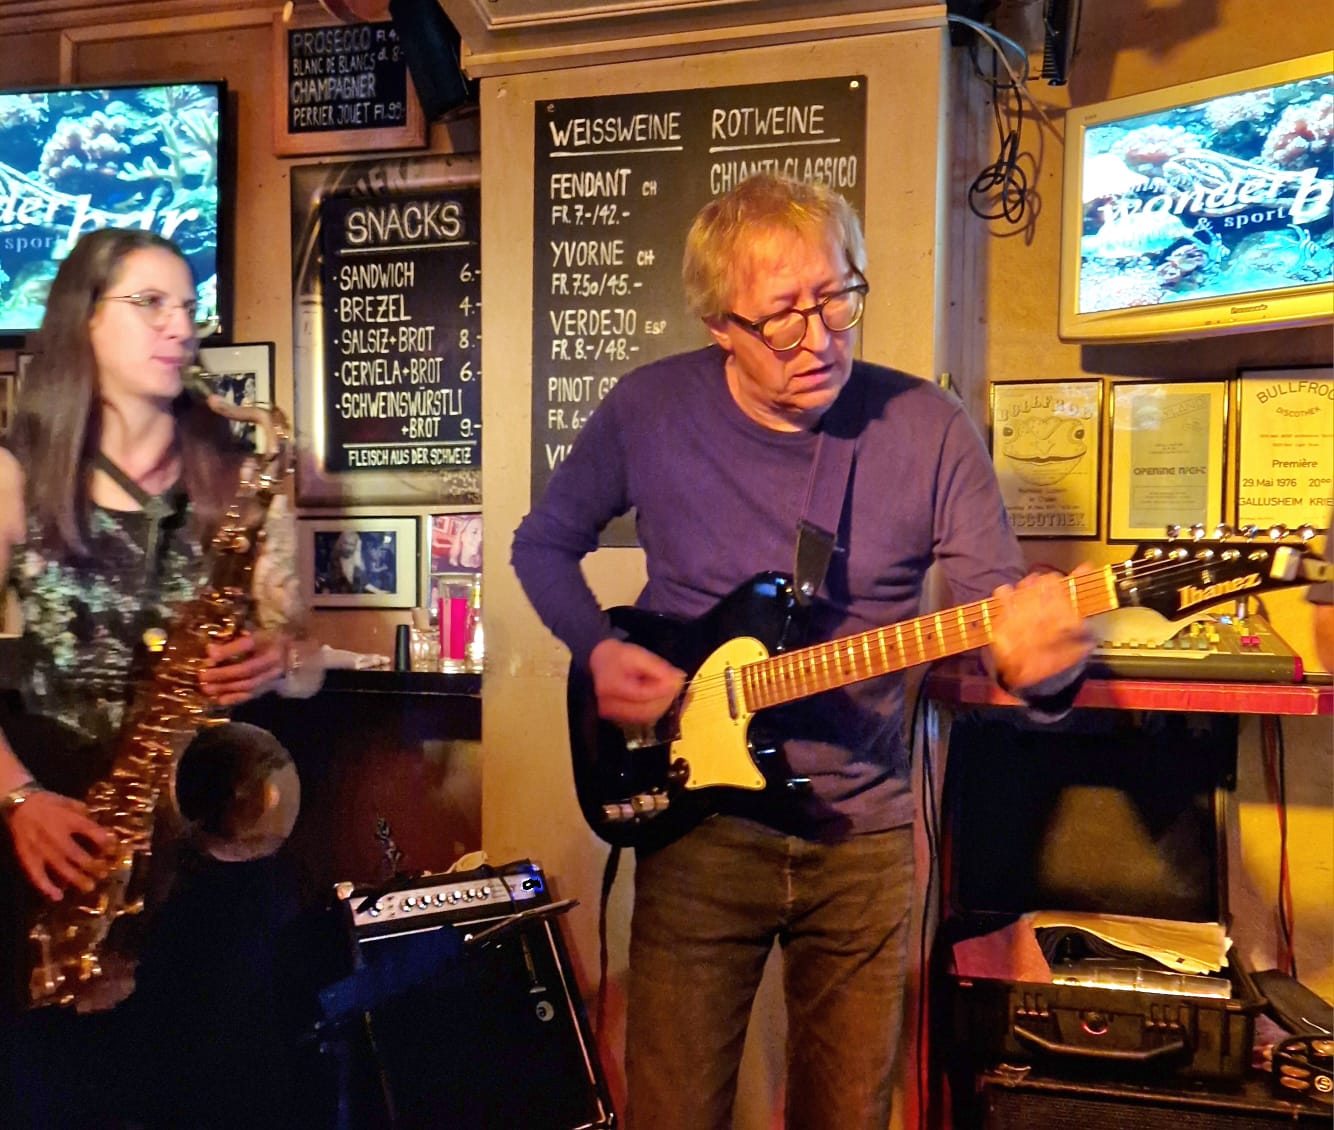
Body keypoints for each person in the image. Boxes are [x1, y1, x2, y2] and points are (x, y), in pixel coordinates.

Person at [511, 174, 1094, 1130]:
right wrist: (599, 650)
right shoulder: (647, 408)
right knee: (672, 1110)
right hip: (695, 823)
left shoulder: (928, 429)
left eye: (838, 299)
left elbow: (1007, 626)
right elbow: (543, 543)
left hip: (861, 838)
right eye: (783, 318)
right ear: (719, 325)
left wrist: (1044, 666)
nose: (819, 339)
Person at [0, 227, 322, 1128]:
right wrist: (18, 797)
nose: (180, 326)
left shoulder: (242, 476)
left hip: (205, 861)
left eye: (189, 306)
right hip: (62, 848)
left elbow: (304, 661)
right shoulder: (13, 476)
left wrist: (282, 658)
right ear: (82, 321)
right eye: (150, 303)